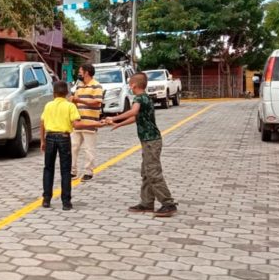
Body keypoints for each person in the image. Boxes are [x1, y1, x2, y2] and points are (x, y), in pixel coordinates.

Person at [106, 72, 178, 217]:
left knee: (153, 172)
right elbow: (135, 117)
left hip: (151, 141)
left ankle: (168, 203)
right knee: (146, 172)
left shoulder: (139, 98)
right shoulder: (145, 98)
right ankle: (147, 202)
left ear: (133, 85)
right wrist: (118, 124)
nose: (129, 86)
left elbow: (133, 111)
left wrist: (115, 117)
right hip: (149, 141)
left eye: (129, 84)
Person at [41, 81, 103, 211]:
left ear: (54, 93)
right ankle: (66, 202)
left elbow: (43, 123)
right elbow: (76, 125)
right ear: (67, 93)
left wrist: (43, 141)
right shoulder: (70, 106)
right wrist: (96, 124)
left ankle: (46, 199)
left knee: (48, 168)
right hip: (64, 138)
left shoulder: (48, 105)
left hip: (50, 137)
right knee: (65, 171)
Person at [69, 63, 104, 182]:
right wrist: (72, 101)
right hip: (78, 121)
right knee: (73, 146)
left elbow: (97, 102)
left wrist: (79, 99)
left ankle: (88, 171)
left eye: (80, 71)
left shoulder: (97, 86)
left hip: (90, 122)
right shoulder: (78, 86)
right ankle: (73, 171)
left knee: (89, 148)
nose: (79, 74)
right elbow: (76, 102)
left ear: (86, 73)